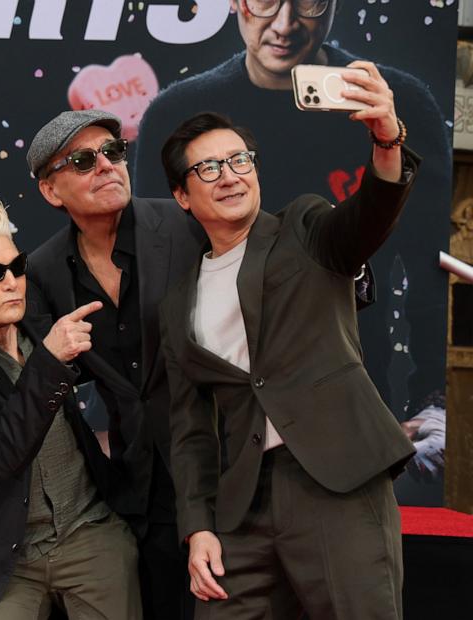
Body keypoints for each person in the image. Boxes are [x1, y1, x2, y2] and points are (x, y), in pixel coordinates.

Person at [158, 62, 417, 617]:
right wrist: (197, 528)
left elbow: (370, 215)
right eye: (207, 169)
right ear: (181, 195)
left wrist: (386, 137)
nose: (229, 176)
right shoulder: (178, 300)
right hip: (242, 505)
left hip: (336, 480)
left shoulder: (303, 228)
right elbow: (189, 430)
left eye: (238, 161)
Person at [133, 0, 451, 416]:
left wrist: (435, 401)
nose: (284, 25)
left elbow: (431, 263)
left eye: (308, 4)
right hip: (219, 396)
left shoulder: (394, 104)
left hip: (349, 393)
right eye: (265, 2)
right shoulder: (176, 113)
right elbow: (155, 270)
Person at [0, 196, 142, 620]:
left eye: (16, 267)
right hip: (6, 555)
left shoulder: (36, 309)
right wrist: (50, 362)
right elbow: (1, 453)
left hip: (88, 527)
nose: (12, 282)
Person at [26, 109, 206, 619]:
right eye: (83, 160)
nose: (105, 166)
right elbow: (40, 378)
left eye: (113, 151)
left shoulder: (183, 223)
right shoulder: (42, 271)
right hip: (138, 484)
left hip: (218, 467)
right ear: (51, 191)